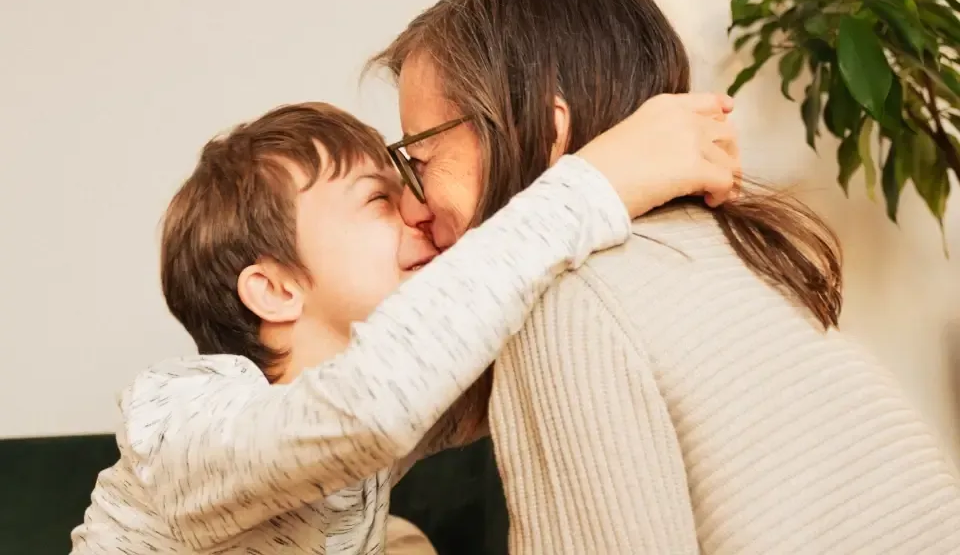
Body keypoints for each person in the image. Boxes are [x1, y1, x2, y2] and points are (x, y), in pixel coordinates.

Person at [369, 0, 960, 554]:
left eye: (419, 161)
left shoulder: (572, 304)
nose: (413, 207)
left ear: (547, 131)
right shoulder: (734, 248)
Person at [70, 97, 738, 554]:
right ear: (275, 289)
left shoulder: (376, 417)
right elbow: (370, 406)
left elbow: (477, 339)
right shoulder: (178, 421)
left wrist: (540, 159)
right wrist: (592, 185)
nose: (419, 214)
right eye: (379, 200)